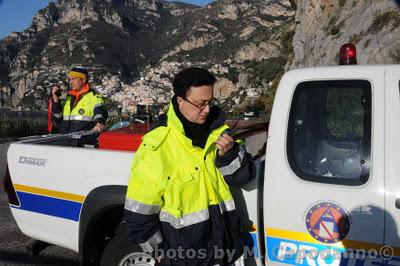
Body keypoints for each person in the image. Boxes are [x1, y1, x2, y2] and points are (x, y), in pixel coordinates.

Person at [124, 67, 255, 265]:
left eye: (210, 102)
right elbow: (138, 217)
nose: (208, 110)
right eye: (201, 104)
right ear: (180, 101)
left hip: (225, 254)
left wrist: (227, 155)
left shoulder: (221, 133)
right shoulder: (156, 149)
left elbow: (243, 177)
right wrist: (164, 256)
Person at [51, 67, 107, 134]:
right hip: (65, 139)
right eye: (70, 79)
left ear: (83, 80)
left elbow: (99, 113)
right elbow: (58, 119)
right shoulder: (69, 98)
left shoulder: (94, 97)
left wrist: (99, 123)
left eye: (74, 79)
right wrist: (56, 100)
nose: (70, 82)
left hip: (83, 141)